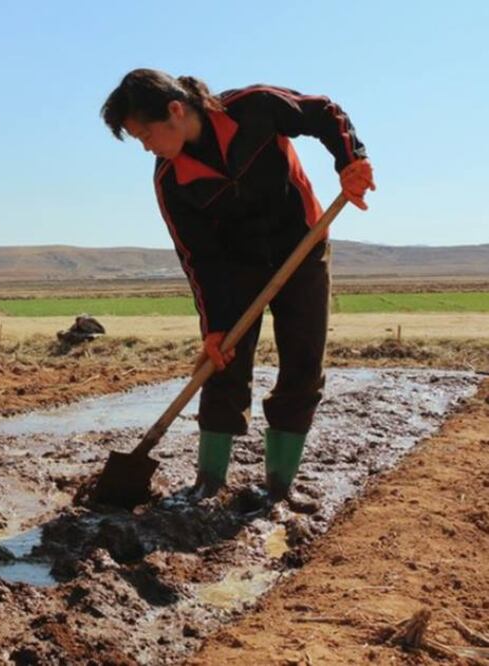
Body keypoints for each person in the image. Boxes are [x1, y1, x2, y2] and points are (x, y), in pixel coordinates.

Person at [101, 69, 375, 503]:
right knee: (222, 364)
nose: (147, 147)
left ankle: (279, 486)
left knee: (303, 365)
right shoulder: (171, 179)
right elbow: (198, 257)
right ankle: (208, 482)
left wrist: (351, 161)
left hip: (302, 247)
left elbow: (323, 112)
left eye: (145, 135)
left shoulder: (254, 107)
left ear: (175, 110)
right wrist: (214, 327)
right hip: (237, 268)